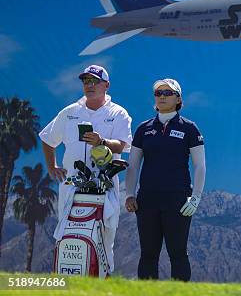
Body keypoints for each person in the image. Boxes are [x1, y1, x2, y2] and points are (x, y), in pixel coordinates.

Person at [40, 64, 132, 274]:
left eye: (94, 81)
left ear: (106, 85)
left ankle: (103, 281)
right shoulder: (70, 112)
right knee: (68, 234)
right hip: (71, 185)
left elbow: (123, 145)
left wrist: (103, 142)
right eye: (85, 81)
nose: (89, 85)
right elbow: (47, 138)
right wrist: (52, 166)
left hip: (105, 185)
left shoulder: (118, 113)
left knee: (105, 237)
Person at [124, 78, 206, 281]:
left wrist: (195, 197)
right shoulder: (144, 129)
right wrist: (129, 194)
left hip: (177, 199)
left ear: (178, 98)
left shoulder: (189, 128)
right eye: (158, 93)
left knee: (178, 253)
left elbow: (200, 165)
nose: (161, 96)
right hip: (147, 200)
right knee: (148, 255)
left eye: (167, 93)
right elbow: (133, 165)